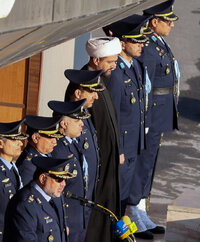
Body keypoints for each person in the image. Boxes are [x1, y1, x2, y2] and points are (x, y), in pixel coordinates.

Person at [127, 0, 179, 239]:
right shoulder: (147, 45)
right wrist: (144, 119)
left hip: (160, 113)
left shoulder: (159, 42)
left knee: (149, 163)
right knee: (142, 163)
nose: (171, 25)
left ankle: (141, 211)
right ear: (154, 21)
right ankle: (133, 212)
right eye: (167, 21)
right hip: (151, 113)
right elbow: (144, 85)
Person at [103, 14, 150, 220]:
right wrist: (118, 150)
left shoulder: (136, 66)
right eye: (136, 41)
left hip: (133, 146)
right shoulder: (117, 74)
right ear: (123, 44)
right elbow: (112, 115)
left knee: (123, 200)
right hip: (122, 150)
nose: (141, 45)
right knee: (116, 199)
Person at [76, 37, 122, 242]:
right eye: (110, 61)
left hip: (108, 167)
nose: (115, 65)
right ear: (96, 60)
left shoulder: (100, 80)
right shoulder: (85, 84)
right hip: (98, 170)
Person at [62, 69, 104, 241]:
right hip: (71, 208)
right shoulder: (70, 122)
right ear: (78, 93)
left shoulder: (85, 117)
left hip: (84, 201)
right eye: (91, 92)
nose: (96, 96)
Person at [4, 156, 75, 242]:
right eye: (59, 179)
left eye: (65, 180)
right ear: (43, 178)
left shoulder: (55, 197)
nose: (63, 184)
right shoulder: (25, 205)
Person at [48, 99, 91, 242]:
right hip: (67, 221)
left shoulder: (72, 144)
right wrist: (61, 222)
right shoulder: (58, 150)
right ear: (64, 123)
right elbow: (55, 191)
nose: (82, 124)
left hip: (78, 217)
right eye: (77, 120)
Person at [16, 115, 63, 186]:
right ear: (35, 138)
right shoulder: (28, 166)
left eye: (55, 138)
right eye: (50, 137)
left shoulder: (46, 154)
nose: (55, 142)